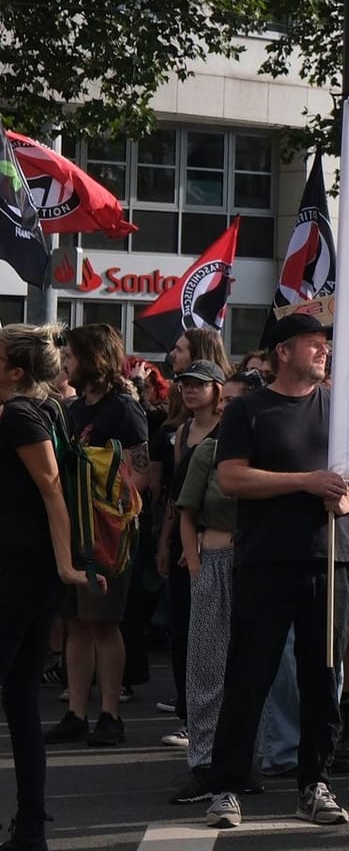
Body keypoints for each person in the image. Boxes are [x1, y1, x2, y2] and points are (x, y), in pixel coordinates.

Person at [203, 313, 349, 830]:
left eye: (325, 344)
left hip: (331, 560)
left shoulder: (342, 410)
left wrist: (348, 502)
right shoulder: (250, 410)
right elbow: (231, 477)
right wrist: (305, 482)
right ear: (283, 351)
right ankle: (227, 787)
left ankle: (315, 783)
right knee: (249, 675)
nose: (323, 351)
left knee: (323, 678)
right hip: (265, 560)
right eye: (313, 344)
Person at [1, 325, 94, 851]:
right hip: (32, 576)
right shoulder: (47, 409)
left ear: (17, 370)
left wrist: (64, 562)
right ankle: (30, 826)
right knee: (19, 702)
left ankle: (32, 825)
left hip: (21, 574)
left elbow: (52, 486)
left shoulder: (20, 414)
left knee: (18, 699)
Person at [43, 323, 149, 750]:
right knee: (74, 622)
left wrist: (111, 505)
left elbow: (142, 470)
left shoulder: (123, 407)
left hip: (106, 532)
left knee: (103, 623)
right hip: (72, 527)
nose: (65, 365)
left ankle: (110, 714)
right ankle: (76, 713)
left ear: (93, 359)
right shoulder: (73, 409)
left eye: (70, 357)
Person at [162, 360, 233, 805]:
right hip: (212, 561)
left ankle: (252, 758)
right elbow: (182, 508)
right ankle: (204, 763)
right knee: (204, 664)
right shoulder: (202, 449)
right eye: (184, 384)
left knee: (257, 669)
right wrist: (191, 559)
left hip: (262, 567)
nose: (189, 391)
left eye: (199, 385)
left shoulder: (274, 450)